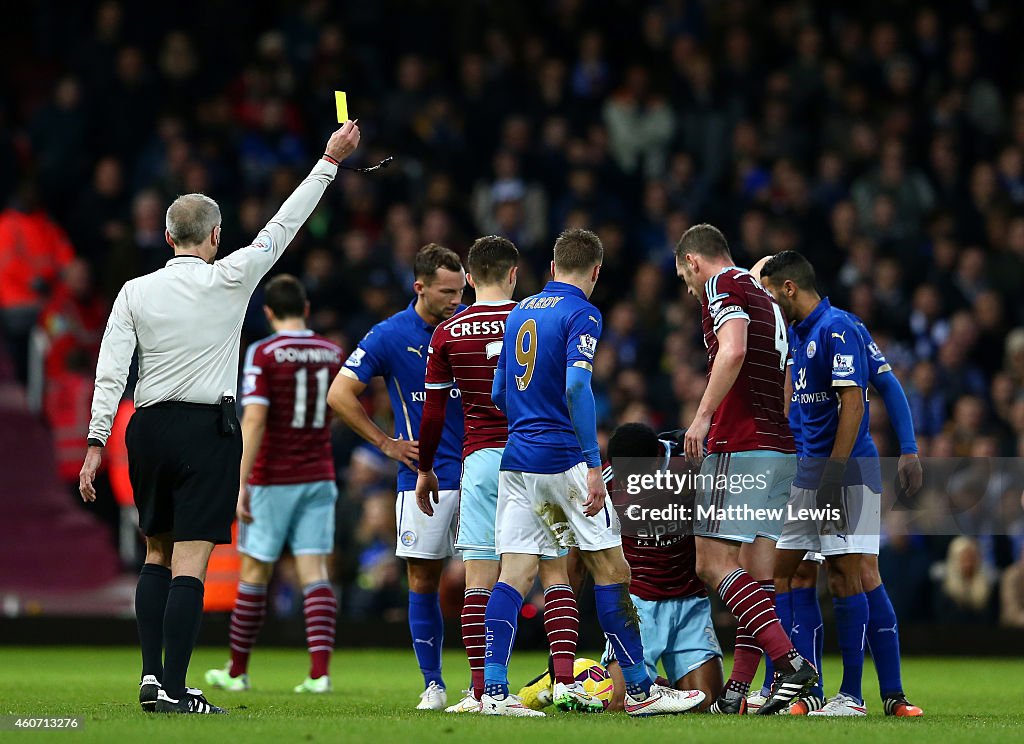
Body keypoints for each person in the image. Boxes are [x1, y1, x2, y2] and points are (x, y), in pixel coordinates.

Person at [78, 121, 361, 715]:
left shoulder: (133, 291)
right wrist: (329, 162)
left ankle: (152, 678)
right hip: (207, 430)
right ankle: (177, 692)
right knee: (191, 561)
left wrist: (96, 441)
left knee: (155, 552)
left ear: (165, 235)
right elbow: (283, 227)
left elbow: (110, 369)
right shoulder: (231, 277)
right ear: (213, 236)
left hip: (148, 428)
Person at [479, 227, 705, 718]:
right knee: (613, 570)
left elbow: (498, 393)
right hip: (562, 461)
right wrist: (591, 462)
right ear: (596, 272)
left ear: (554, 266)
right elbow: (579, 387)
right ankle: (643, 690)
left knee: (515, 573)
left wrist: (527, 416)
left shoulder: (521, 310)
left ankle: (493, 693)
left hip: (517, 462)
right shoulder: (582, 312)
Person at [415, 235, 593, 713]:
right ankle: (563, 681)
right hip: (536, 456)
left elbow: (433, 415)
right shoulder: (535, 316)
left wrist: (426, 468)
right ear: (515, 274)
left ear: (469, 278)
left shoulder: (448, 332)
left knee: (480, 578)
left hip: (479, 464)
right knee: (554, 571)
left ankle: (482, 690)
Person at [751, 253, 924, 716]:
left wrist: (905, 448)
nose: (768, 301)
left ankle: (862, 695)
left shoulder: (838, 328)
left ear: (789, 288)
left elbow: (858, 400)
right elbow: (805, 407)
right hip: (809, 474)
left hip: (845, 474)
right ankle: (801, 690)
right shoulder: (801, 332)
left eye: (771, 292)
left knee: (854, 574)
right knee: (790, 572)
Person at [673, 224, 815, 716]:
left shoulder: (722, 285)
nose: (690, 291)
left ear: (693, 261)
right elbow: (782, 380)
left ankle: (791, 662)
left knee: (711, 563)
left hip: (741, 443)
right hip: (778, 446)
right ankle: (737, 691)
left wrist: (703, 417)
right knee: (755, 575)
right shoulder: (767, 296)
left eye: (685, 279)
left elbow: (732, 350)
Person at [327, 243, 466, 711]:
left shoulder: (476, 325)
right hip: (423, 476)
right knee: (422, 579)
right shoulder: (390, 334)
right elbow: (340, 394)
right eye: (447, 292)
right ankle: (433, 683)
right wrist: (386, 443)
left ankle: (490, 684)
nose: (456, 300)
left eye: (461, 290)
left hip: (483, 473)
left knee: (491, 578)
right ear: (419, 286)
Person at [204, 274, 343, 694]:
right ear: (305, 308)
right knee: (314, 571)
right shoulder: (331, 352)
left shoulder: (263, 353)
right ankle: (319, 675)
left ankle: (237, 671)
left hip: (271, 478)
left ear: (267, 313)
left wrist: (239, 480)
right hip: (318, 474)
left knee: (254, 573)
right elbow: (338, 408)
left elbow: (256, 419)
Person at [600, 424, 723, 712]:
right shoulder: (604, 480)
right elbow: (581, 552)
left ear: (656, 459)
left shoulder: (692, 466)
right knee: (618, 702)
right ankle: (653, 688)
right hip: (637, 602)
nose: (629, 483)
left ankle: (662, 690)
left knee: (705, 702)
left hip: (688, 598)